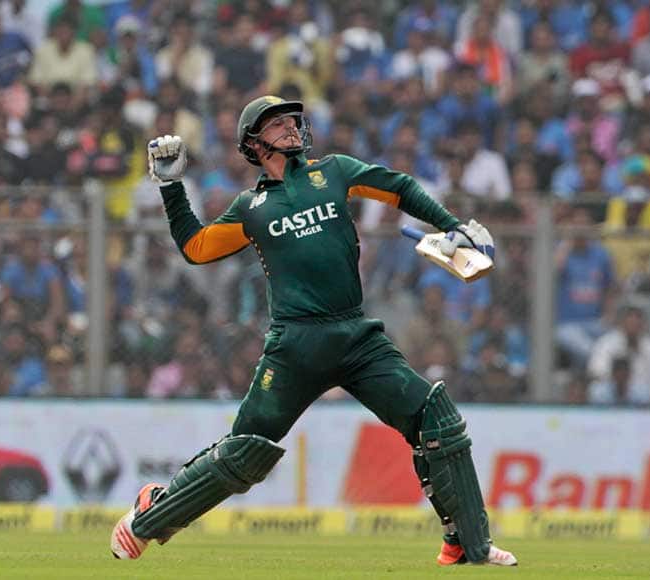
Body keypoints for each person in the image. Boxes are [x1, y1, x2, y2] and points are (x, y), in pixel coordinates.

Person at [110, 95, 517, 567]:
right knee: (243, 456)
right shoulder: (251, 206)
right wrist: (172, 185)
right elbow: (197, 248)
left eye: (291, 119)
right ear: (254, 143)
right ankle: (147, 516)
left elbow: (400, 187)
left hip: (357, 337)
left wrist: (451, 226)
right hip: (295, 347)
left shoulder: (334, 171)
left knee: (437, 420)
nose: (290, 127)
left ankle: (469, 543)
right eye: (276, 123)